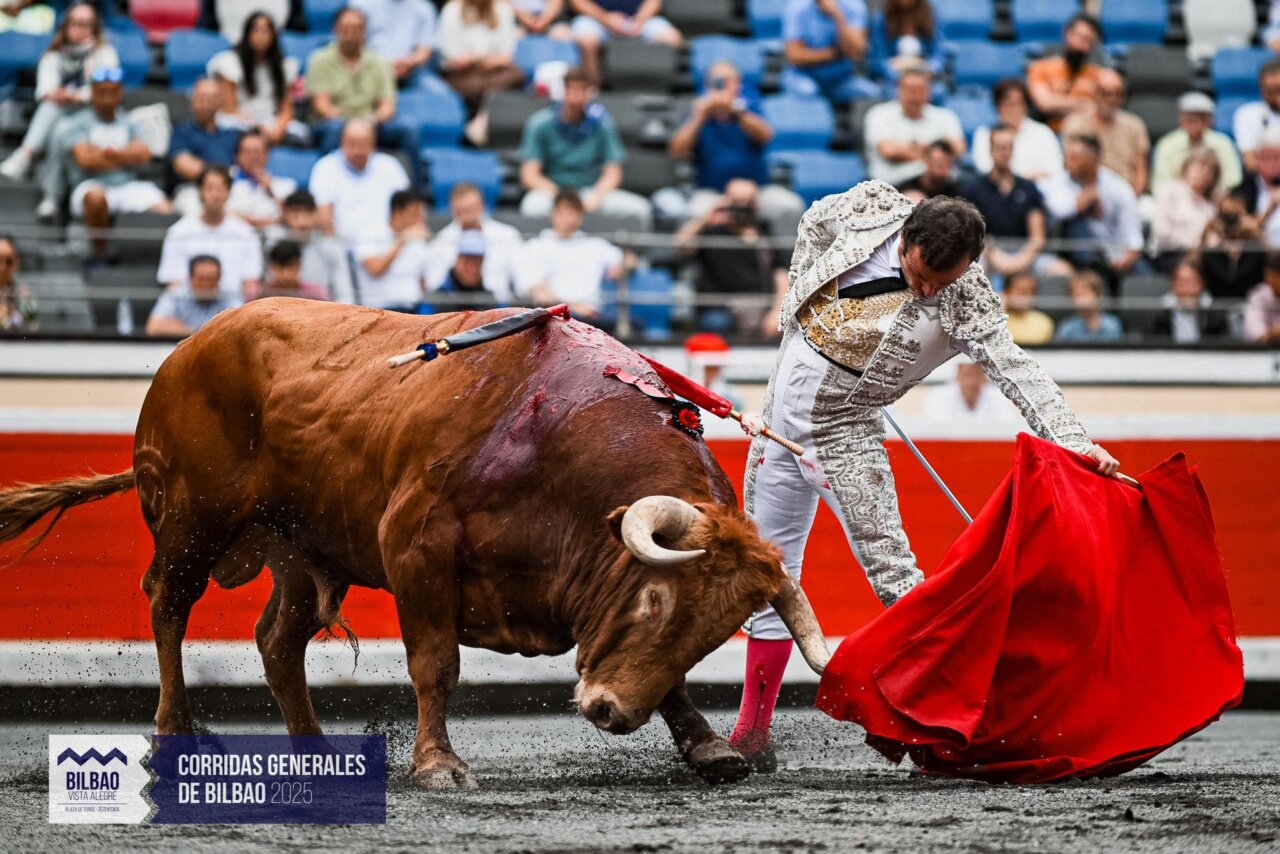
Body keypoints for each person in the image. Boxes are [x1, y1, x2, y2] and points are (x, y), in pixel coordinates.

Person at [729, 187, 1120, 769]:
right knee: (765, 573)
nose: (931, 289)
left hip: (843, 434)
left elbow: (1018, 370)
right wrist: (795, 305)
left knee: (895, 577)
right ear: (905, 237)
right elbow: (812, 220)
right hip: (775, 425)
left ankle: (950, 724)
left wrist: (1072, 440)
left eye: (946, 278)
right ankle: (751, 733)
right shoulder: (870, 209)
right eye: (922, 274)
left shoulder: (967, 298)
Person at [0, 3, 118, 221]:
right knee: (56, 122)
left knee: (57, 120)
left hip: (93, 117)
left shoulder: (104, 53)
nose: (79, 29)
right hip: (60, 114)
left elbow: (107, 91)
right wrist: (63, 95)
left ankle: (27, 158)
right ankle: (50, 196)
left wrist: (78, 95)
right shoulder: (53, 55)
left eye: (85, 24)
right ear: (65, 26)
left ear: (94, 27)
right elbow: (45, 91)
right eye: (74, 23)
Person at [667, 60, 803, 221]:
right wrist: (700, 116)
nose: (722, 86)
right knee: (695, 213)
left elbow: (766, 136)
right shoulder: (697, 113)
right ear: (706, 85)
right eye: (716, 81)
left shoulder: (750, 108)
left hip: (757, 191)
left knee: (790, 206)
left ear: (738, 85)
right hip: (712, 193)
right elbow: (677, 150)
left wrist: (736, 111)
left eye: (727, 81)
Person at [518, 67, 652, 228]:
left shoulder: (603, 123)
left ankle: (630, 253)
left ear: (590, 93)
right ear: (563, 91)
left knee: (640, 210)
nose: (575, 97)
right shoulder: (540, 124)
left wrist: (596, 196)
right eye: (571, 90)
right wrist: (562, 198)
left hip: (591, 192)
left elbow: (613, 172)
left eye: (581, 90)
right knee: (532, 207)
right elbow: (530, 175)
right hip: (553, 192)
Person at [64, 67, 173, 261]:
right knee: (96, 198)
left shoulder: (129, 121)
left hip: (126, 185)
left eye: (112, 92)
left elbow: (144, 155)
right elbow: (85, 160)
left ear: (119, 93)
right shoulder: (77, 122)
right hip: (90, 183)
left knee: (166, 209)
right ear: (93, 93)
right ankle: (99, 255)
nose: (107, 98)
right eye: (102, 92)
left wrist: (104, 153)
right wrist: (125, 156)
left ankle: (160, 259)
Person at [675, 178, 792, 338]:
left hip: (761, 306)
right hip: (720, 308)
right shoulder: (712, 232)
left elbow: (781, 275)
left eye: (747, 202)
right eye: (737, 201)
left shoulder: (765, 232)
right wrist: (707, 217)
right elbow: (680, 245)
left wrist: (778, 310)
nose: (742, 208)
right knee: (715, 323)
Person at [305, 7, 414, 160]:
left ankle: (414, 184)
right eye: (345, 29)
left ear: (364, 32)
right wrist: (351, 125)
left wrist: (370, 121)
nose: (350, 34)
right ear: (335, 29)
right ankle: (327, 179)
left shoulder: (379, 62)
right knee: (334, 129)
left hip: (371, 122)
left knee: (407, 129)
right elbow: (321, 106)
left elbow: (387, 106)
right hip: (335, 121)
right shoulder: (319, 60)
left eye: (356, 29)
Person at [961, 124, 1066, 280]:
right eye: (1000, 147)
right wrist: (995, 256)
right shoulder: (974, 189)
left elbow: (1037, 236)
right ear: (990, 149)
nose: (1005, 152)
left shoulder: (1028, 188)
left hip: (1025, 253)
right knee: (974, 268)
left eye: (1009, 147)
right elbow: (971, 234)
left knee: (1060, 271)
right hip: (988, 254)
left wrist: (1020, 260)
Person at [1041, 134, 1144, 289]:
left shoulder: (1117, 187)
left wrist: (1126, 257)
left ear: (1093, 159)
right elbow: (1056, 210)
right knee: (1077, 223)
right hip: (1069, 253)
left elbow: (1133, 236)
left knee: (1146, 277)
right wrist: (1082, 201)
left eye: (1074, 157)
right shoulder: (1059, 180)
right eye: (1067, 155)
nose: (1067, 161)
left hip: (1112, 253)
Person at [156, 165, 264, 302]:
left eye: (220, 189)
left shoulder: (246, 234)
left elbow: (251, 284)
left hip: (233, 308)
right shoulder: (178, 233)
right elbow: (173, 284)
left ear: (229, 192)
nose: (215, 194)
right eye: (209, 188)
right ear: (200, 192)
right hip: (189, 305)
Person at [519, 188, 622, 325]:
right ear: (553, 214)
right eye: (564, 212)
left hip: (594, 320)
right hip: (554, 321)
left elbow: (624, 259)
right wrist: (574, 308)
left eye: (574, 213)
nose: (569, 218)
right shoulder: (535, 247)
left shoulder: (596, 245)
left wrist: (622, 265)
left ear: (581, 217)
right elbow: (540, 294)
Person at [309, 118, 411, 245]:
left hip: (387, 245)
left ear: (373, 143)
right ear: (342, 142)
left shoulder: (390, 166)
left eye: (363, 143)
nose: (357, 150)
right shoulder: (325, 167)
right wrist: (337, 252)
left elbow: (408, 208)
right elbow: (323, 215)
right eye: (352, 143)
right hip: (343, 245)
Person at [206, 11, 301, 145]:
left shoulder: (284, 66)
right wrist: (257, 128)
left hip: (270, 122)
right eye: (256, 30)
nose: (261, 36)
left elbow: (286, 109)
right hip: (239, 121)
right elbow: (229, 108)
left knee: (300, 135)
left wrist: (278, 128)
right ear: (247, 34)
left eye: (266, 31)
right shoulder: (229, 63)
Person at [863, 68, 964, 186]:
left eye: (920, 90)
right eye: (910, 90)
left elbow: (958, 149)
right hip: (895, 186)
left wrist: (910, 148)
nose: (915, 96)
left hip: (942, 183)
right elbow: (889, 152)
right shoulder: (879, 114)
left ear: (929, 92)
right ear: (898, 90)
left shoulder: (945, 116)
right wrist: (935, 154)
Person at [1060, 69, 1150, 196]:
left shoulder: (1135, 125)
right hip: (1084, 190)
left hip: (1126, 192)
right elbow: (1070, 165)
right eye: (1106, 93)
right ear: (1094, 93)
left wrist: (1132, 198)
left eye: (1118, 94)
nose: (1112, 99)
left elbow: (1141, 171)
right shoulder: (1076, 123)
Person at [429, 182, 523, 302]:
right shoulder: (441, 241)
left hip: (500, 309)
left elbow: (523, 280)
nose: (468, 214)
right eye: (462, 209)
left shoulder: (508, 235)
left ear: (482, 205)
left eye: (472, 208)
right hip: (454, 309)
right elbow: (434, 285)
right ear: (453, 209)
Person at [437, 0, 526, 116]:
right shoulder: (451, 9)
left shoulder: (503, 8)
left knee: (516, 75)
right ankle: (484, 118)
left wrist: (476, 59)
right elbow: (452, 57)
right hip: (463, 74)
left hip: (494, 72)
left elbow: (506, 55)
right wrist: (483, 59)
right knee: (472, 85)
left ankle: (483, 119)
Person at [265, 189, 355, 303]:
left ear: (316, 214)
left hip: (322, 312)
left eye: (307, 213)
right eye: (295, 214)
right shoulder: (272, 243)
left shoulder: (331, 247)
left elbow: (344, 293)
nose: (302, 222)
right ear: (285, 214)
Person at [781, 0, 878, 105]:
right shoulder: (798, 6)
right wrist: (835, 53)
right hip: (804, 76)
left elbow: (855, 51)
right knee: (808, 91)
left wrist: (837, 15)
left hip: (841, 79)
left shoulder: (854, 5)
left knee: (872, 93)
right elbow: (794, 56)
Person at [169, 78, 242, 216]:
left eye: (210, 99)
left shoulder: (232, 133)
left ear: (220, 103)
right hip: (194, 189)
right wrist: (222, 176)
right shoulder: (182, 131)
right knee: (198, 211)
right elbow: (183, 165)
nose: (205, 104)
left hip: (230, 188)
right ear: (192, 101)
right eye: (200, 98)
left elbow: (247, 162)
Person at [354, 188, 434, 311]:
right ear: (397, 212)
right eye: (413, 214)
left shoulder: (418, 240)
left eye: (421, 215)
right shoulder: (369, 233)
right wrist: (401, 242)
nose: (418, 220)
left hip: (413, 311)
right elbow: (375, 269)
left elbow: (423, 281)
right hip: (377, 311)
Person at [971, 78, 1062, 183]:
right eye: (1009, 104)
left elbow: (1055, 169)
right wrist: (1027, 177)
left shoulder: (1043, 132)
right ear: (997, 107)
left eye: (1020, 103)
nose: (1015, 109)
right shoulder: (984, 134)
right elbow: (985, 168)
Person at [568, 0, 681, 85]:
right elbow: (578, 2)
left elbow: (654, 1)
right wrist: (605, 18)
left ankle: (653, 87)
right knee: (587, 41)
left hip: (639, 19)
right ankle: (592, 90)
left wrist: (640, 19)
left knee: (672, 38)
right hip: (597, 19)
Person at [1026, 13, 1105, 132]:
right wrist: (1082, 103)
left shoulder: (1099, 74)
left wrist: (1059, 104)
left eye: (1090, 40)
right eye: (1082, 37)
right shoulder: (1042, 67)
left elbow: (1101, 109)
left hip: (1087, 134)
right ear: (1067, 33)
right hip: (1049, 134)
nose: (1084, 46)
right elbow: (1045, 103)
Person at [1150, 92, 1242, 194]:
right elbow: (1161, 181)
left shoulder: (1223, 143)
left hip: (1214, 198)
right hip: (1176, 199)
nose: (1195, 123)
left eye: (1201, 118)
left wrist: (1212, 194)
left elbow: (1232, 178)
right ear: (1181, 119)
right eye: (1190, 118)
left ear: (1210, 120)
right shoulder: (1167, 144)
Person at [1150, 147, 1221, 269]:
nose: (1204, 173)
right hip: (1168, 254)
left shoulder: (1211, 207)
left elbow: (1213, 239)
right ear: (1187, 167)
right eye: (1200, 166)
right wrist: (1195, 244)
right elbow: (1162, 231)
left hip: (1201, 256)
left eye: (1210, 170)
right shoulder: (1169, 191)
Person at [352, 0, 439, 89]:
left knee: (444, 98)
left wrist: (409, 63)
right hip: (369, 70)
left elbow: (425, 49)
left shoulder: (424, 7)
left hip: (411, 73)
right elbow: (353, 45)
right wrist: (381, 66)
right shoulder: (360, 5)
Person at [145, 254, 238, 337]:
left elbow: (240, 329)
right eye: (201, 279)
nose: (206, 284)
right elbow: (153, 327)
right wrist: (196, 334)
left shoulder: (230, 298)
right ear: (190, 279)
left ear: (219, 279)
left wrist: (180, 328)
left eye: (211, 279)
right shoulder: (175, 296)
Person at [1199, 194, 1266, 300]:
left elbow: (1272, 263)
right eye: (1226, 215)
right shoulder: (1212, 243)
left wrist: (1256, 234)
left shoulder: (1255, 243)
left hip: (1251, 301)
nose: (1231, 220)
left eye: (1235, 215)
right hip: (1217, 302)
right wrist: (1211, 247)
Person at [226, 130, 297, 229]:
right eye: (247, 152)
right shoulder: (224, 179)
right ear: (236, 156)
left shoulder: (285, 185)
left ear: (267, 155)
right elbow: (222, 214)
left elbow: (293, 218)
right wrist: (270, 221)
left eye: (257, 152)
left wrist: (271, 191)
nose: (253, 157)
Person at [1147, 261, 1230, 344]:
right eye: (1182, 283)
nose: (1188, 290)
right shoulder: (1159, 318)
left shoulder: (1215, 318)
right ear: (1173, 286)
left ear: (1201, 285)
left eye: (1192, 283)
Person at [921, 360, 1017, 423]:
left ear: (985, 377)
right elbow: (936, 429)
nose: (972, 382)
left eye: (977, 375)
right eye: (967, 375)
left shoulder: (999, 398)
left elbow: (1005, 427)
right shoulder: (938, 396)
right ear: (958, 376)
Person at [868, 0, 941, 80]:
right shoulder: (880, 20)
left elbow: (938, 55)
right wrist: (898, 76)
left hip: (924, 77)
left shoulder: (931, 17)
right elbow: (878, 60)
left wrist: (928, 71)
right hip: (892, 79)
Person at [1232, 58, 1280, 174]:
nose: (1276, 96)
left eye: (1279, 89)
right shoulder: (1246, 114)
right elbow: (1250, 162)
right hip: (1262, 183)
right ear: (1261, 88)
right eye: (1270, 90)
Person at [433, 229, 500, 309]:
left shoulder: (490, 300)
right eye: (467, 261)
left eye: (477, 262)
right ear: (457, 260)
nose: (471, 268)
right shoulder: (436, 299)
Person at [1053, 269, 1124, 343]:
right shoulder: (1066, 328)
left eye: (1085, 294)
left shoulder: (1113, 325)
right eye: (1077, 295)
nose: (1082, 300)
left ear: (1098, 295)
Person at [255, 239, 331, 301]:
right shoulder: (259, 297)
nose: (286, 275)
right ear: (271, 266)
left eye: (290, 267)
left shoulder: (318, 296)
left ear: (299, 266)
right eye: (280, 268)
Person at [1001, 271, 1054, 344]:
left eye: (1031, 290)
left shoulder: (1044, 322)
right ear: (1007, 292)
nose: (1026, 294)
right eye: (1021, 290)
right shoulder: (998, 321)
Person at [0, 235, 37, 332]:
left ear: (16, 263)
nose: (2, 267)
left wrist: (12, 313)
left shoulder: (24, 295)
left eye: (8, 261)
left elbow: (31, 330)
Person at [1243, 251, 1280, 343]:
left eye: (1274, 276)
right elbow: (1254, 331)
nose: (1269, 280)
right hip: (1263, 353)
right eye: (1268, 275)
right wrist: (1271, 334)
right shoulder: (1258, 295)